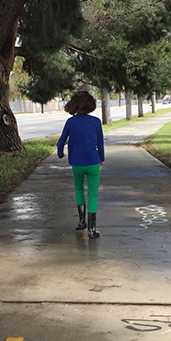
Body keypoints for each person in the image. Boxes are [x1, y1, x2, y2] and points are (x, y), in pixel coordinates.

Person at [57, 90, 105, 239]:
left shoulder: (71, 122)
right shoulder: (96, 122)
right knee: (93, 194)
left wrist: (60, 153)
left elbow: (61, 142)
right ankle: (92, 229)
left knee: (79, 189)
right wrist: (101, 158)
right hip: (93, 162)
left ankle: (81, 221)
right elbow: (100, 143)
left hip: (76, 163)